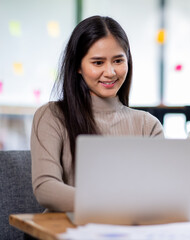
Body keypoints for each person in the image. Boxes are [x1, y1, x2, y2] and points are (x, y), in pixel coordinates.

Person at [31, 16, 163, 212]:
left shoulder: (148, 125)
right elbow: (45, 188)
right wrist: (110, 204)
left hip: (131, 228)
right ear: (78, 66)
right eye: (98, 62)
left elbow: (160, 192)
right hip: (66, 229)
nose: (110, 72)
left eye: (118, 60)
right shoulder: (51, 116)